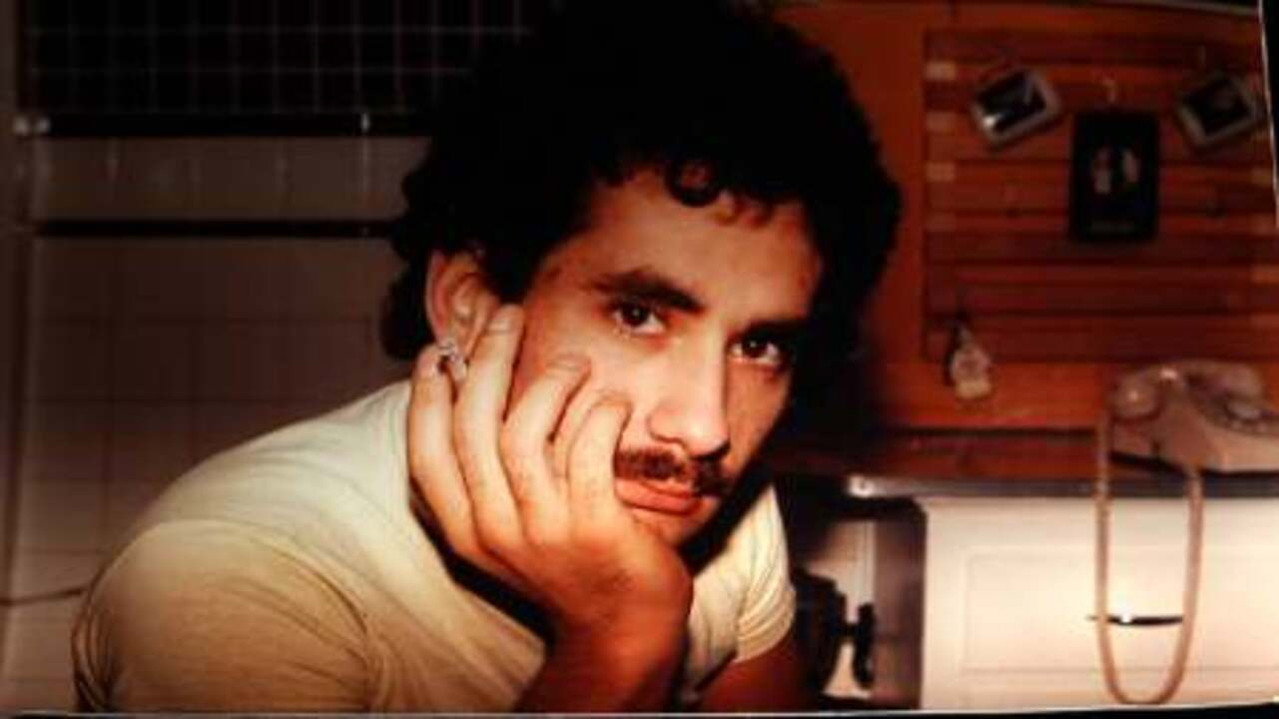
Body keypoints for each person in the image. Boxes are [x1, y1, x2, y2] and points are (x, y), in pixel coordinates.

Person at [71, 1, 899, 712]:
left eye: (757, 344)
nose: (705, 425)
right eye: (638, 314)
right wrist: (619, 636)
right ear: (469, 306)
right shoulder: (234, 572)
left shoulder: (707, 499)